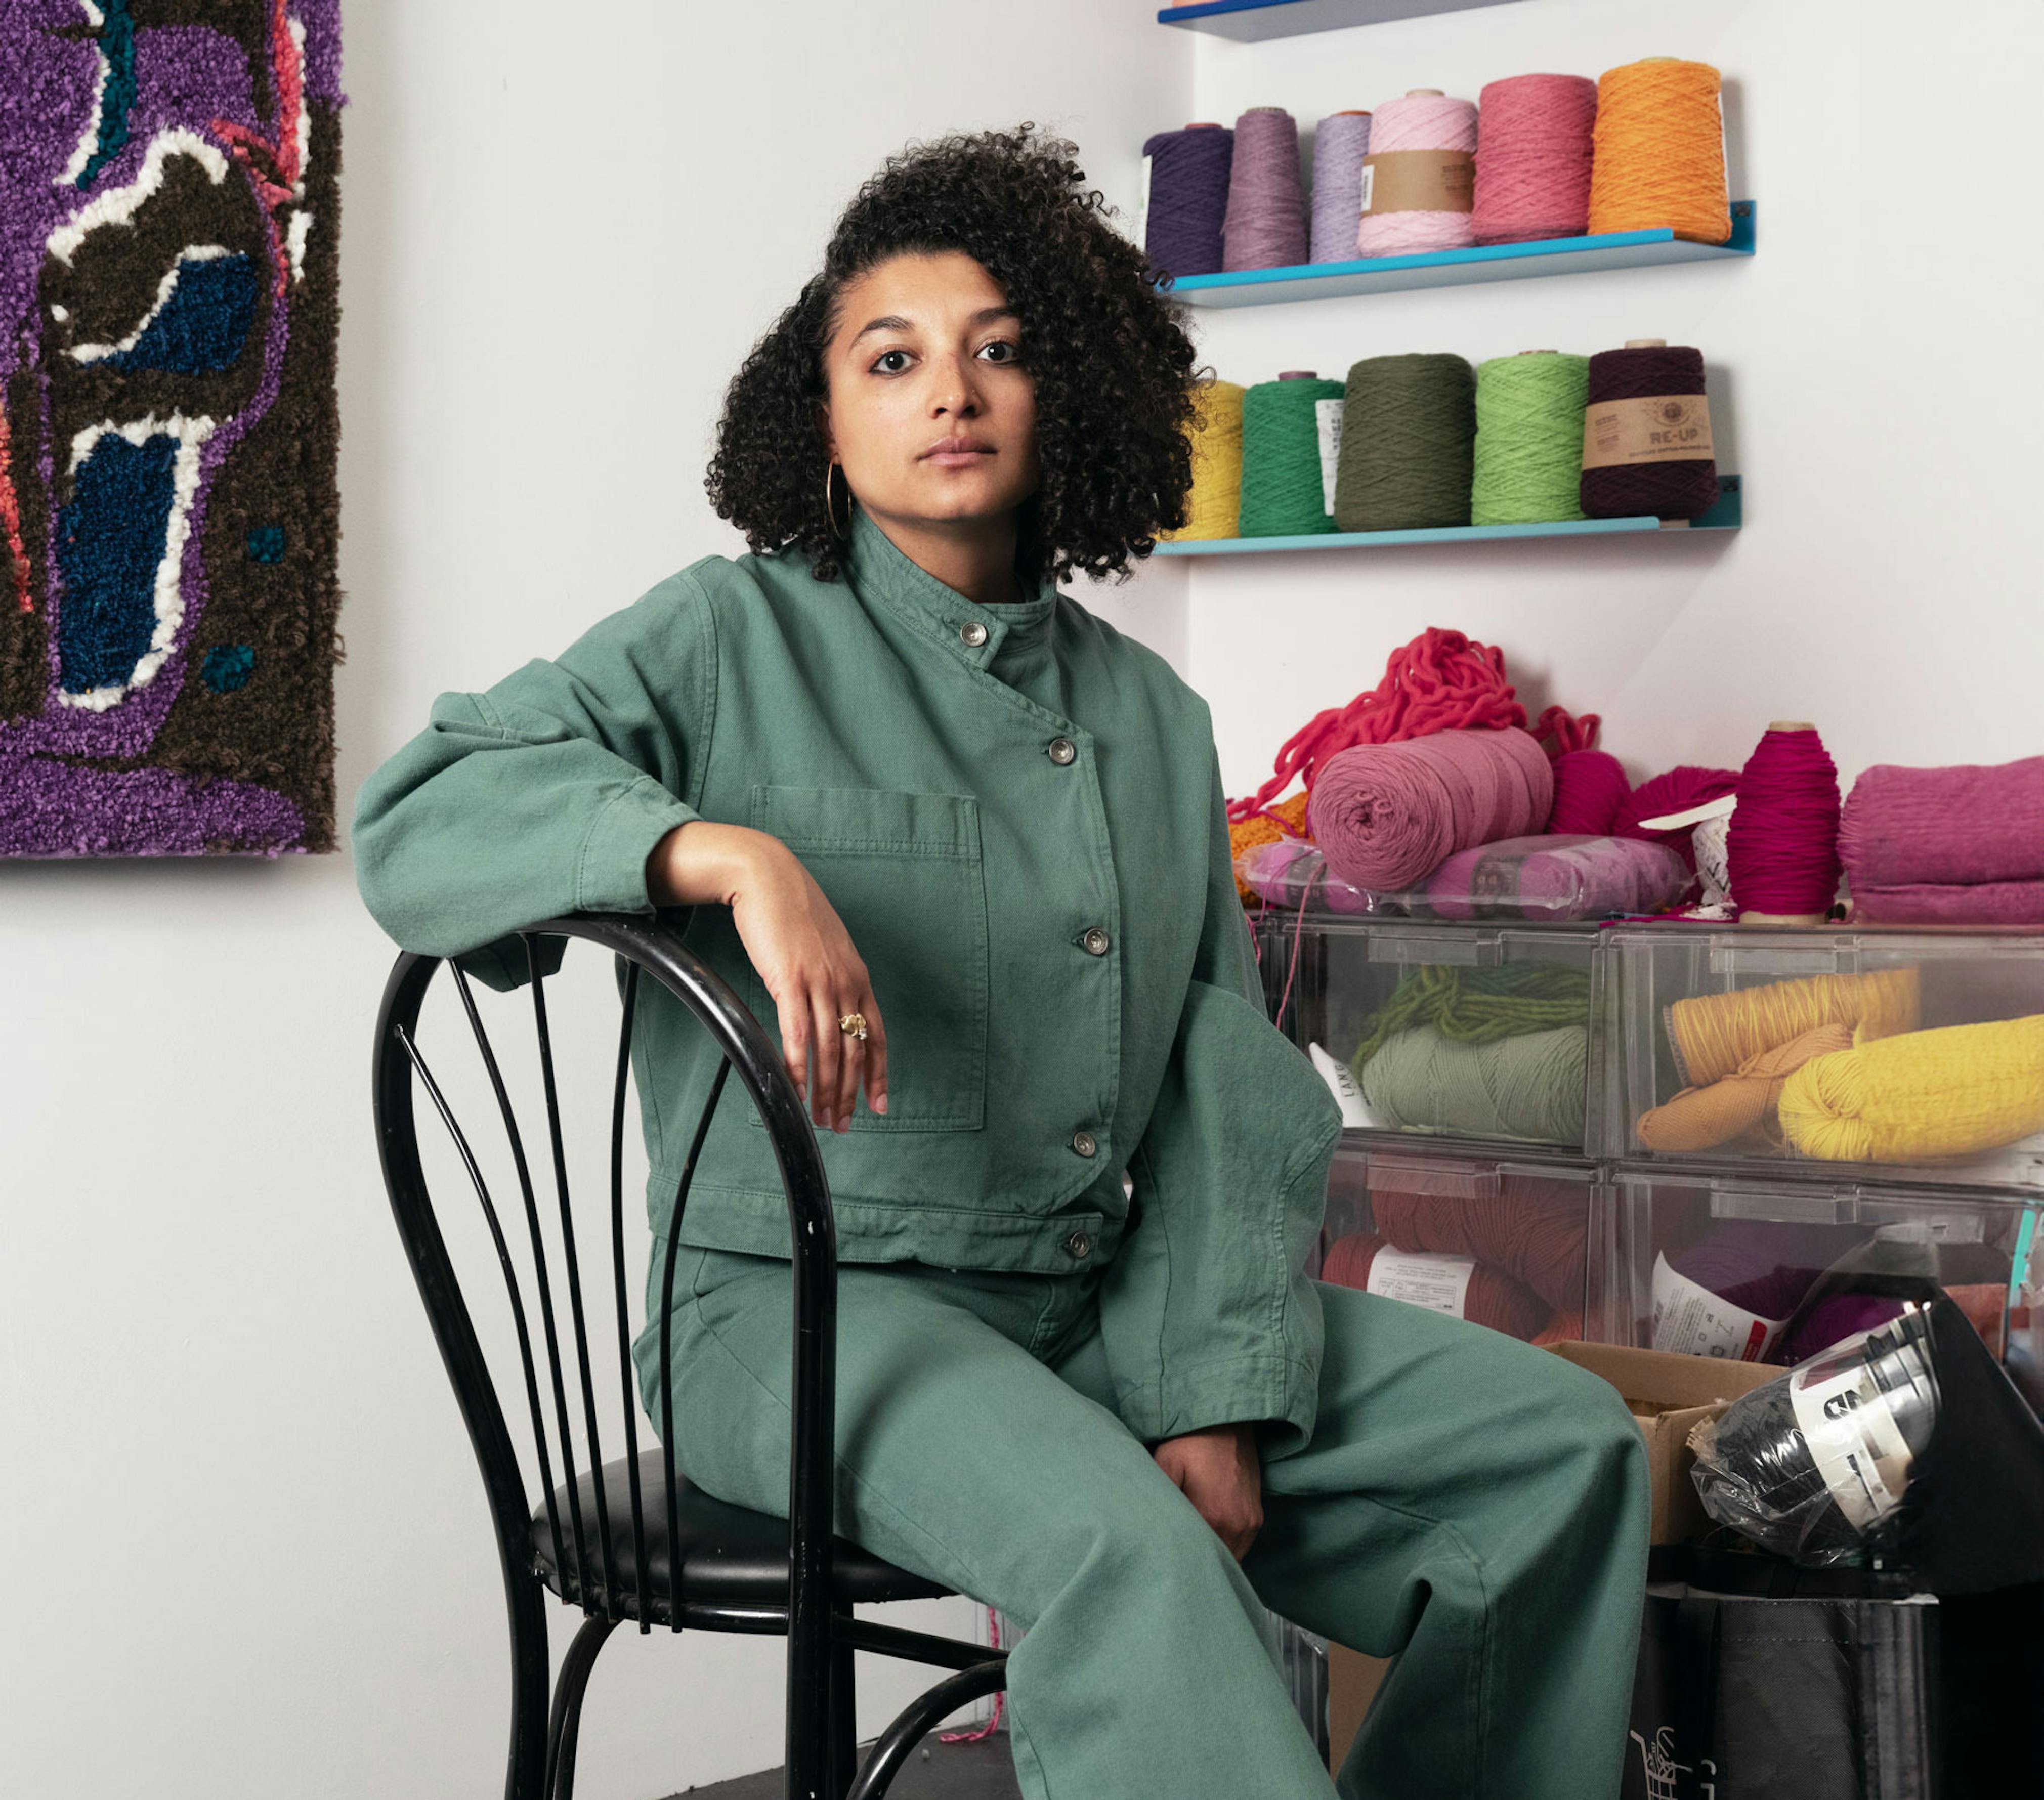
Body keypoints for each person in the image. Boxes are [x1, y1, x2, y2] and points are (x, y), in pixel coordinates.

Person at [352, 125, 1648, 1800]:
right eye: (890, 358)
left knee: (1560, 1455)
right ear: (821, 418)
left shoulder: (1151, 719)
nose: (948, 390)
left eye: (1000, 351)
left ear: (1070, 397)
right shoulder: (722, 638)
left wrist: (1213, 1381)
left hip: (1093, 1306)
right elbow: (422, 810)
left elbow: (1216, 1076)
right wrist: (726, 856)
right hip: (794, 1317)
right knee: (1125, 1553)